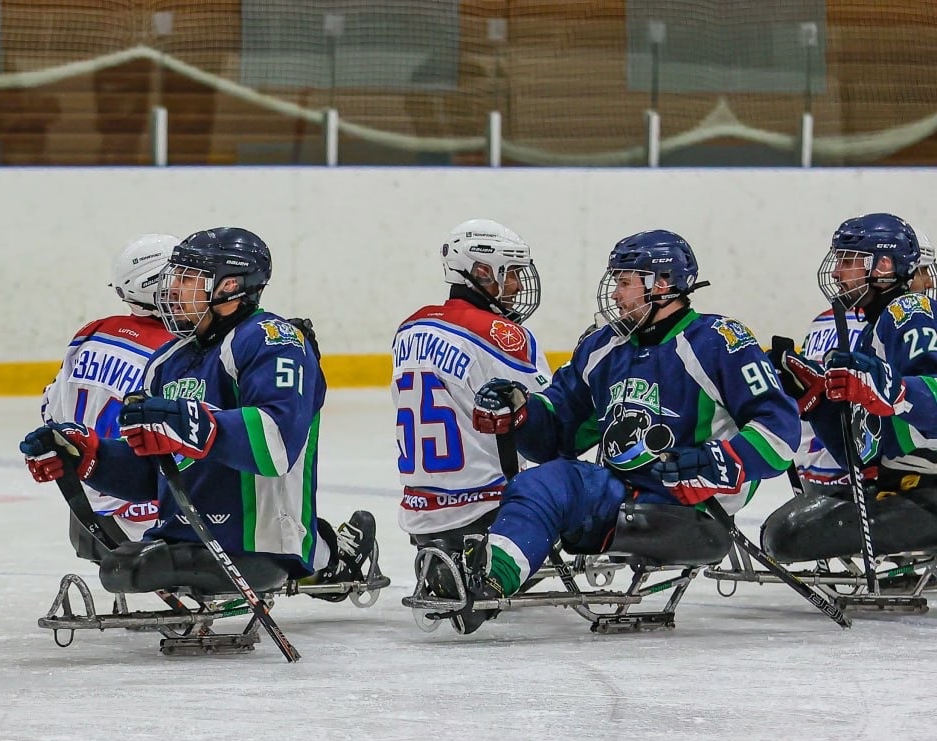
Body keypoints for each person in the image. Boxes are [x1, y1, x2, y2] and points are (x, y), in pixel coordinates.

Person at [439, 229, 801, 634]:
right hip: (624, 491)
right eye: (615, 282)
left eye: (625, 283)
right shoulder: (603, 347)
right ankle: (488, 576)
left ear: (660, 285)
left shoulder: (717, 341)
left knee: (550, 485)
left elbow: (780, 431)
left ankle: (485, 583)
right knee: (543, 483)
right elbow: (560, 432)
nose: (614, 295)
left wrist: (715, 462)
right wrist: (524, 412)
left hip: (694, 509)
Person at [20, 227, 375, 598]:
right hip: (184, 531)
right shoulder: (168, 359)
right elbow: (158, 472)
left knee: (131, 565)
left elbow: (277, 444)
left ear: (229, 287)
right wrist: (91, 458)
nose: (173, 290)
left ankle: (325, 557)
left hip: (259, 541)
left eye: (188, 278)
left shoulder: (271, 340)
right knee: (120, 567)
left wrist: (194, 426)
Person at [765, 214, 937, 559]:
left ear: (883, 265)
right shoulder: (870, 332)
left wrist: (894, 389)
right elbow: (861, 456)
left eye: (847, 260)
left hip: (927, 486)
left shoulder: (909, 311)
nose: (836, 273)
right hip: (899, 484)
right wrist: (814, 397)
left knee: (789, 535)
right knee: (784, 532)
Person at [392, 219, 551, 562]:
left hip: (420, 515)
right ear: (481, 271)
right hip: (489, 514)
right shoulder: (502, 334)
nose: (516, 284)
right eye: (510, 273)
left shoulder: (409, 328)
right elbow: (550, 419)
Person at [39, 234, 177, 559]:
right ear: (159, 284)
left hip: (88, 516)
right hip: (149, 518)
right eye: (183, 275)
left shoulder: (91, 333)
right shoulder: (177, 350)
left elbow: (50, 411)